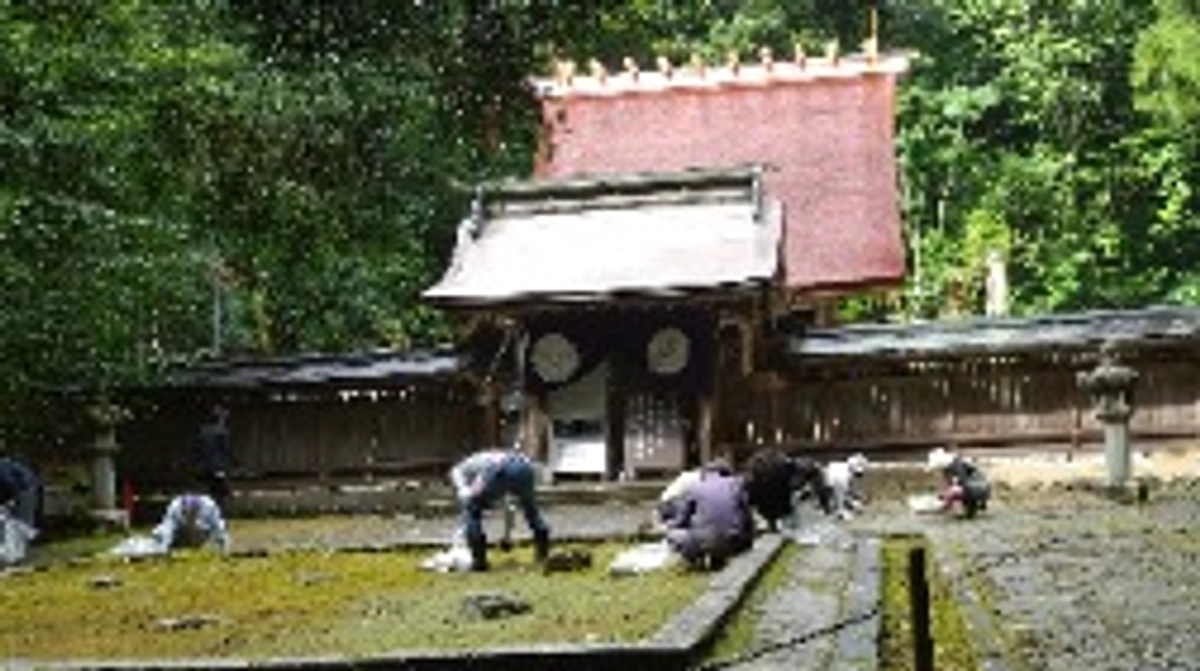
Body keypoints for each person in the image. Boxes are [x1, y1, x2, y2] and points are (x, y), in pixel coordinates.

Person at [449, 448, 550, 572]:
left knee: (472, 511)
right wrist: (507, 537)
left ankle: (479, 562)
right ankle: (542, 556)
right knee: (531, 511)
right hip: (525, 467)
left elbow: (465, 494)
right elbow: (509, 508)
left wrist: (465, 493)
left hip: (499, 468)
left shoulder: (460, 470)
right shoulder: (481, 463)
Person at [662, 459, 754, 571]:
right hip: (734, 542)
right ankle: (718, 559)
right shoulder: (736, 484)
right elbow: (747, 517)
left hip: (705, 542)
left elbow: (681, 520)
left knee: (673, 533)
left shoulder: (694, 487)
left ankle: (696, 560)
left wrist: (668, 525)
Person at [743, 448, 831, 532]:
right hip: (777, 500)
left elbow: (812, 469)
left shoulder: (753, 479)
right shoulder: (783, 468)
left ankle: (773, 523)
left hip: (773, 501)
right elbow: (812, 469)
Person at [151, 492, 231, 552]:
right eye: (186, 513)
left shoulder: (209, 505)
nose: (190, 516)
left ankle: (193, 544)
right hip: (179, 533)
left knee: (209, 532)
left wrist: (224, 548)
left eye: (192, 513)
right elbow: (167, 528)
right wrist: (163, 548)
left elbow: (219, 527)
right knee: (159, 532)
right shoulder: (175, 507)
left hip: (200, 533)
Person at [927, 447, 990, 518]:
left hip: (974, 490)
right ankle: (970, 508)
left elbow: (960, 483)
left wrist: (945, 500)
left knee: (953, 491)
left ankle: (960, 509)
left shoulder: (954, 467)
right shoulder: (960, 462)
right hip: (981, 489)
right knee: (952, 491)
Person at [194, 405, 234, 508]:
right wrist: (233, 462)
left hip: (203, 467)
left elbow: (197, 449)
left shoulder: (202, 430)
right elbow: (225, 450)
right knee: (221, 493)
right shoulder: (222, 431)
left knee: (210, 491)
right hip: (217, 466)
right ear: (220, 418)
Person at [823, 453, 869, 520]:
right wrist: (853, 505)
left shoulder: (841, 466)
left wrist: (856, 496)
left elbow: (847, 490)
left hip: (830, 486)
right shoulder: (844, 476)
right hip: (830, 493)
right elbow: (840, 495)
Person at [0, 456, 41, 529]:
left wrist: (12, 501)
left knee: (22, 523)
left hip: (26, 489)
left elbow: (10, 482)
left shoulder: (2, 468)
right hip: (24, 487)